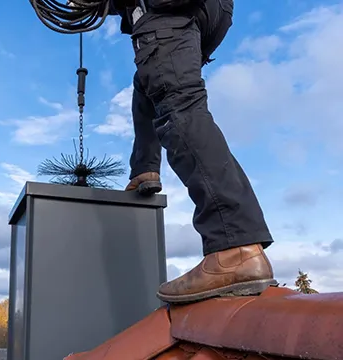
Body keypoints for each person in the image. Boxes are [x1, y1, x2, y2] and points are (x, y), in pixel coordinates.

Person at [111, 0, 277, 304]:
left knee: (178, 106)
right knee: (151, 80)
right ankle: (144, 166)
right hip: (215, 10)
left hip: (162, 7)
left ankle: (235, 249)